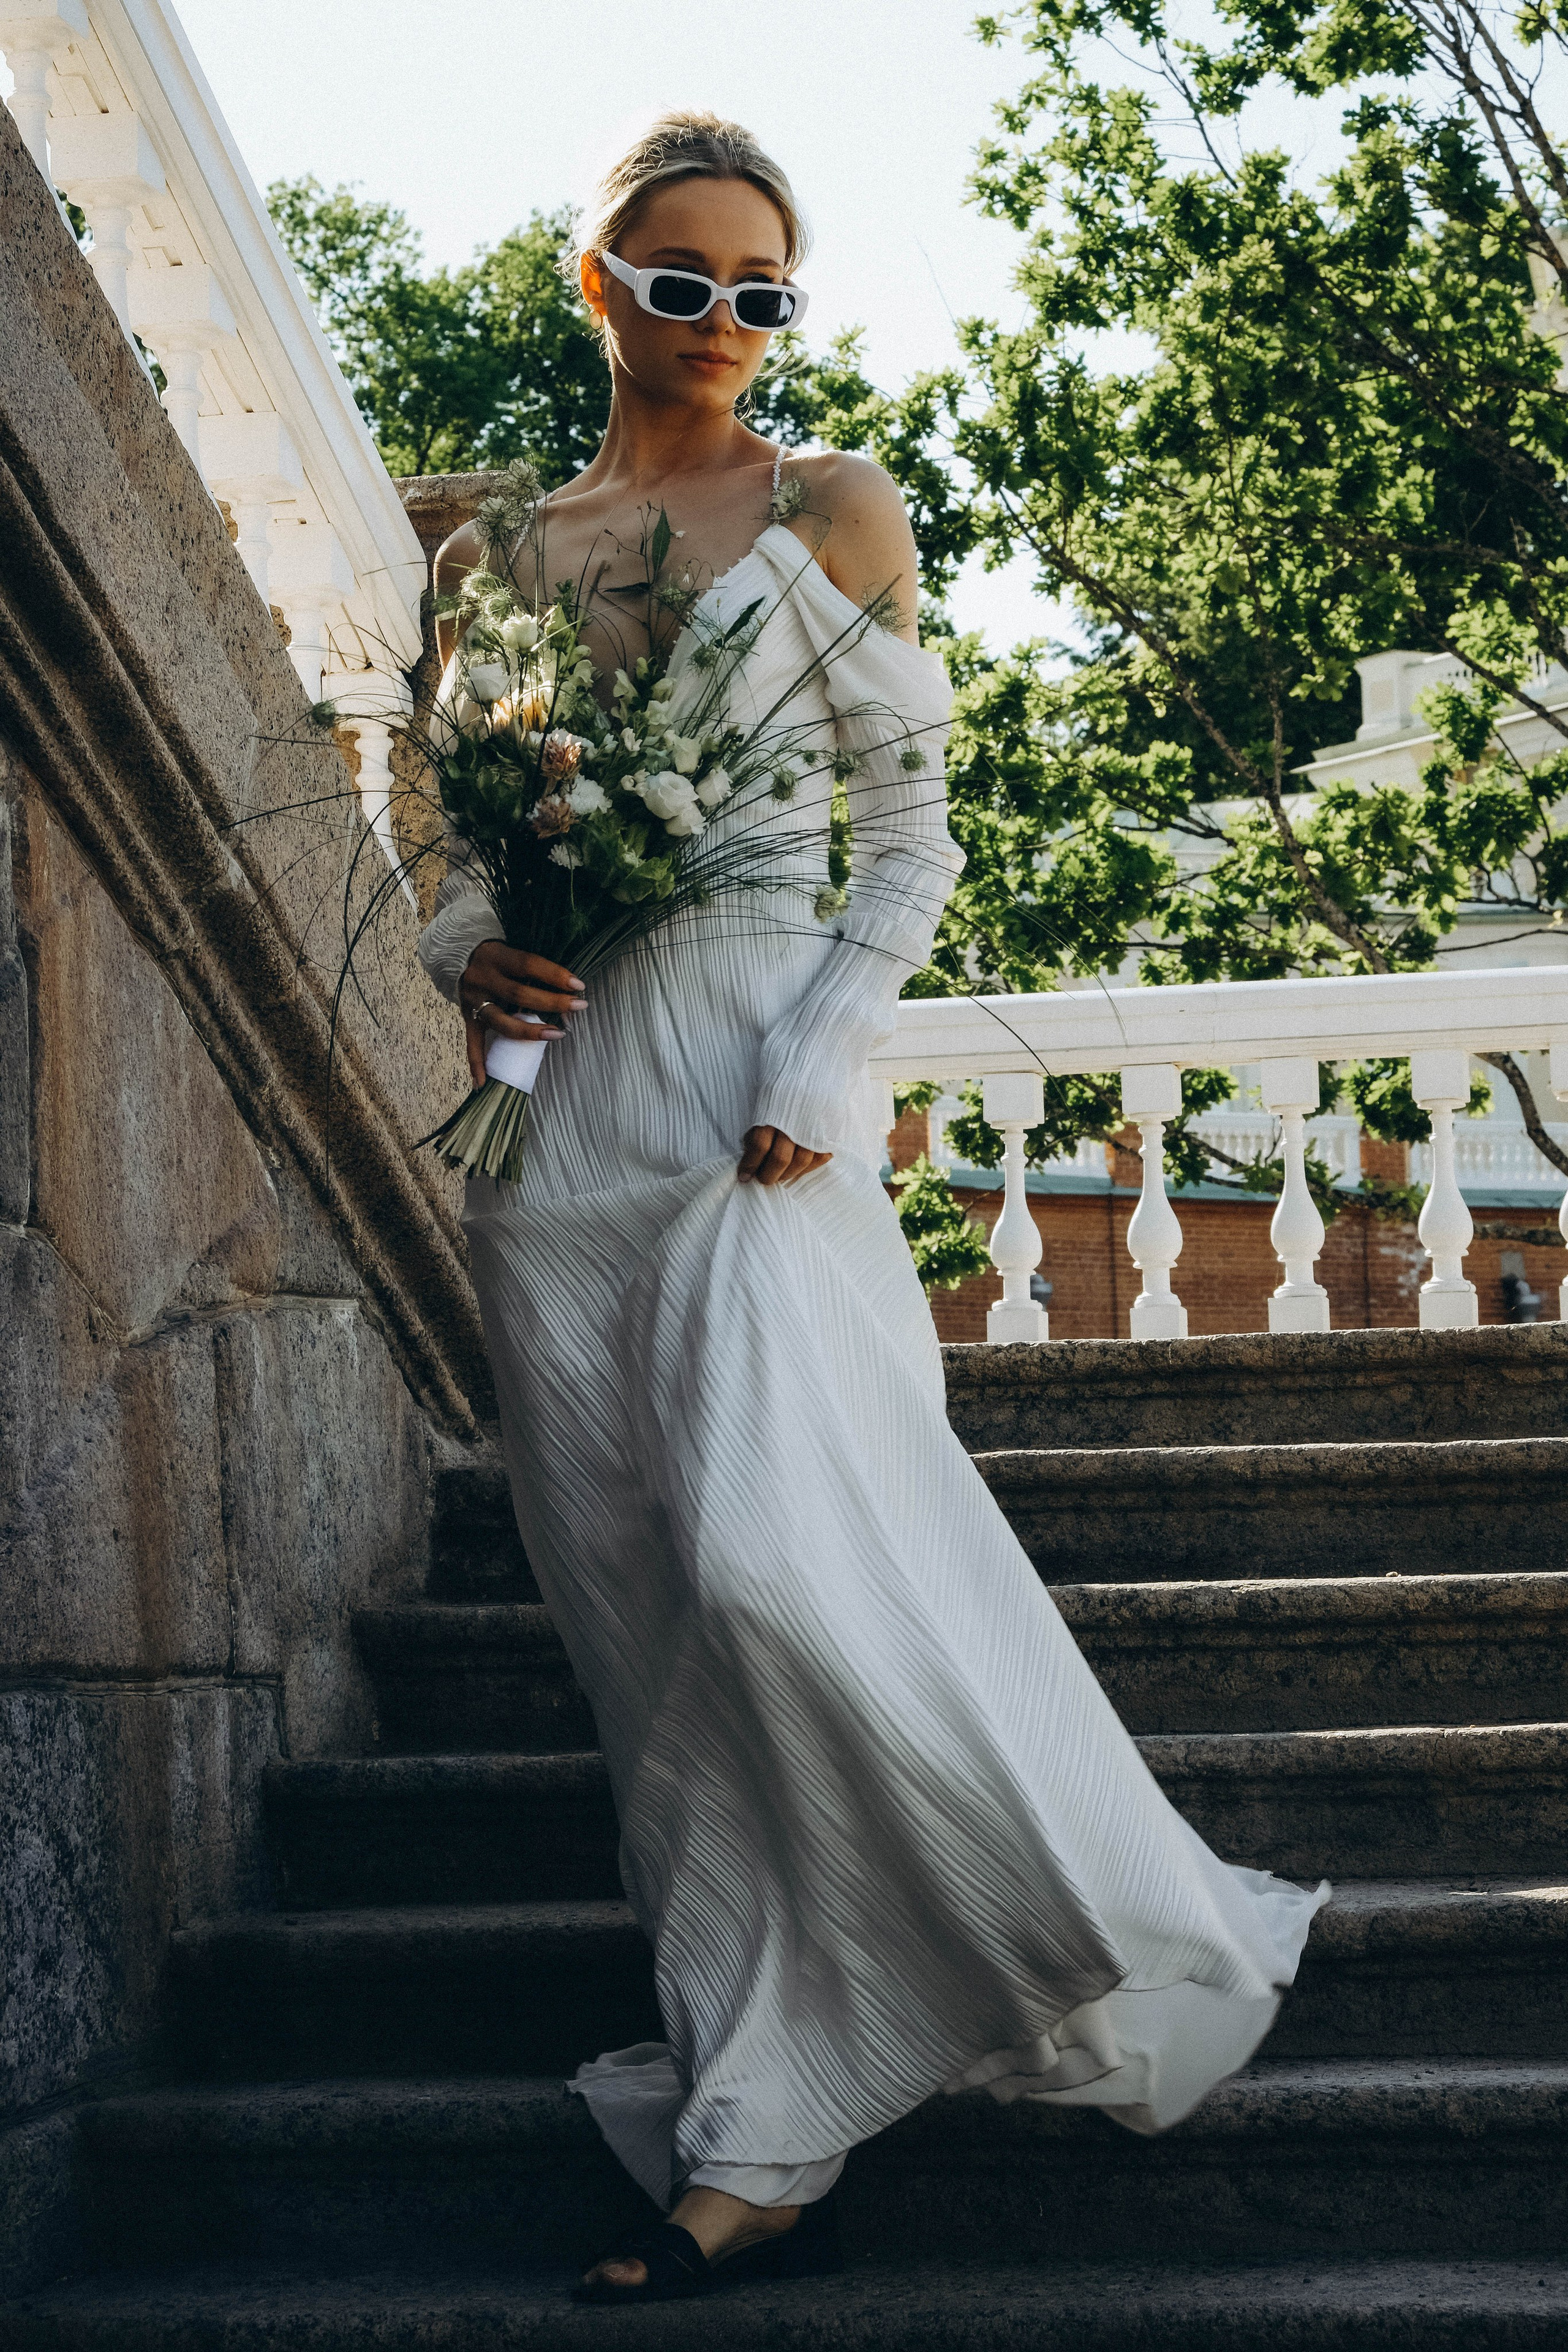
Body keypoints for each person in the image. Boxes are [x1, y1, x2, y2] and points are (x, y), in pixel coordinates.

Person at [420, 111, 1327, 2305]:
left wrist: (824, 1060)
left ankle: (1047, 1928)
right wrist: (476, 953)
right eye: (678, 282)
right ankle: (763, 2112)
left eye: (762, 296)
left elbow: (906, 839)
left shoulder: (833, 511)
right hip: (565, 1137)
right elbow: (436, 843)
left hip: (756, 1099)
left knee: (767, 1560)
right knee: (647, 1626)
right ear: (595, 282)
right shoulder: (479, 544)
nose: (720, 328)